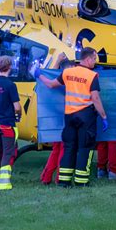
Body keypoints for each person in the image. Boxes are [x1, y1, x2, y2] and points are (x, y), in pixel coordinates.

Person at [34, 47, 108, 187]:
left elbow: (50, 85)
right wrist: (103, 116)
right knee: (84, 148)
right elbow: (95, 98)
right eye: (94, 59)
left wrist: (39, 75)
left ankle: (64, 181)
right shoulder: (92, 76)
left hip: (69, 116)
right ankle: (81, 181)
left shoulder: (67, 72)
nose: (95, 62)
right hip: (86, 116)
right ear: (87, 59)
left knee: (69, 148)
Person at [0, 55, 22, 190]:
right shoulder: (10, 85)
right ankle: (4, 183)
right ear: (10, 67)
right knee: (8, 153)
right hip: (7, 123)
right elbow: (17, 107)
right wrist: (18, 114)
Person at [39, 53, 71, 185]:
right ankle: (59, 177)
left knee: (57, 149)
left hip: (54, 117)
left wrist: (57, 61)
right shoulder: (66, 80)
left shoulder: (56, 79)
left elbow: (50, 74)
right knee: (62, 148)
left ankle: (46, 177)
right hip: (65, 117)